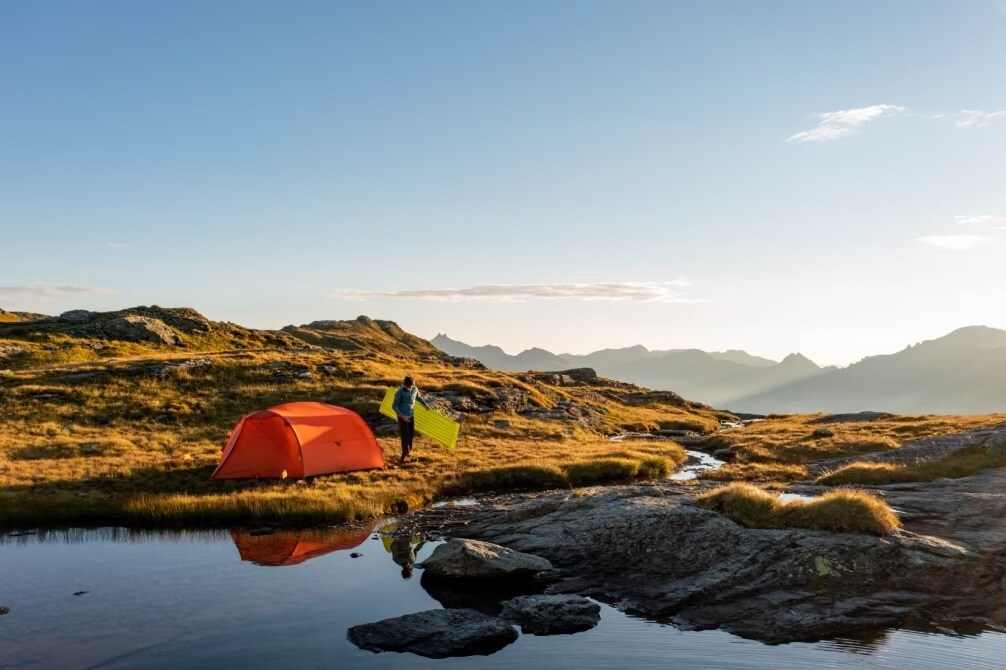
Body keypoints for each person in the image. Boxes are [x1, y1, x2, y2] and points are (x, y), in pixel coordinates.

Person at [391, 375, 430, 463]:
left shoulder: (415, 389)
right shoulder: (400, 392)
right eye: (407, 386)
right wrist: (402, 416)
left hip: (411, 416)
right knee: (405, 437)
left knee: (411, 435)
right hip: (402, 417)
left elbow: (418, 397)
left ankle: (405, 456)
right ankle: (406, 456)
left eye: (410, 386)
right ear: (404, 384)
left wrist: (425, 405)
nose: (409, 388)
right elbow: (394, 406)